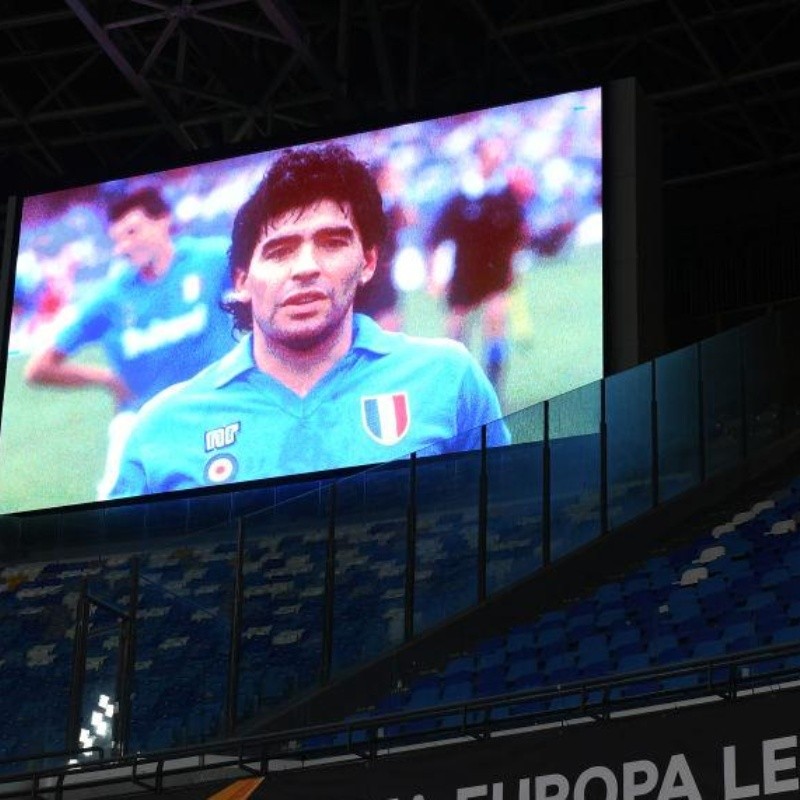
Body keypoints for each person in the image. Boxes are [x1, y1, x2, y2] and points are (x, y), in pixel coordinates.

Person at [109, 143, 509, 498]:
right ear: (241, 281)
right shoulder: (161, 429)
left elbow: (508, 524)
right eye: (279, 250)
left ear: (367, 261)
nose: (305, 267)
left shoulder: (447, 379)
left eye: (332, 242)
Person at [25, 187, 234, 498]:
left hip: (219, 408)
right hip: (145, 421)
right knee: (113, 514)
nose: (124, 246)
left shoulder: (214, 258)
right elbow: (38, 368)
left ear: (163, 220)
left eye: (133, 231)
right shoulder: (111, 297)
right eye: (118, 239)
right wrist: (106, 378)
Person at [426, 138, 527, 395]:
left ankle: (494, 390)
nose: (498, 159)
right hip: (466, 273)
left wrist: (512, 265)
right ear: (480, 157)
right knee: (456, 331)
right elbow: (434, 237)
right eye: (492, 154)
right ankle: (453, 385)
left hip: (495, 271)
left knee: (495, 320)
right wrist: (434, 275)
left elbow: (518, 232)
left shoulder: (504, 194)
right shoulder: (462, 196)